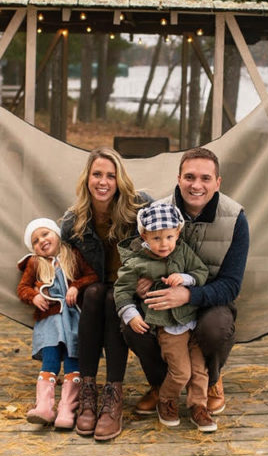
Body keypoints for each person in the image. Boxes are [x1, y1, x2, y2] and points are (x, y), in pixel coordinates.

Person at [123, 147, 249, 418]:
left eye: (205, 178)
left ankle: (211, 381)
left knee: (216, 327)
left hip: (209, 299)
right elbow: (135, 254)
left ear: (218, 182)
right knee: (132, 324)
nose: (196, 185)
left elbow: (231, 285)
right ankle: (161, 385)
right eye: (189, 177)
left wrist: (189, 295)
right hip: (163, 297)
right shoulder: (157, 212)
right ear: (179, 178)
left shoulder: (235, 218)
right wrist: (140, 279)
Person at [60, 147, 149, 441]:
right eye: (97, 174)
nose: (103, 181)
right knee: (98, 292)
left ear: (119, 180)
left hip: (130, 294)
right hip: (93, 293)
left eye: (111, 176)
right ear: (87, 178)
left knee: (114, 297)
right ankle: (88, 391)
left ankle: (113, 394)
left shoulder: (140, 209)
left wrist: (150, 276)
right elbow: (57, 260)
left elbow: (170, 240)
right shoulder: (73, 221)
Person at [114, 202, 217, 432]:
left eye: (169, 237)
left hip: (193, 320)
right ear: (144, 235)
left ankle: (198, 407)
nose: (164, 244)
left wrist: (186, 278)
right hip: (169, 326)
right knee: (181, 371)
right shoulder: (137, 262)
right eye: (157, 238)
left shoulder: (182, 251)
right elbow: (121, 290)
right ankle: (167, 399)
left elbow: (201, 272)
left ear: (178, 233)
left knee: (200, 370)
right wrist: (130, 314)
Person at [16, 217, 97, 429]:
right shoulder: (35, 263)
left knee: (73, 360)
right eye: (35, 240)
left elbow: (92, 276)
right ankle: (44, 407)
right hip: (49, 321)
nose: (41, 241)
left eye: (45, 234)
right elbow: (22, 288)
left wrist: (76, 286)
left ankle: (67, 409)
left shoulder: (73, 256)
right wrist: (33, 296)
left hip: (72, 319)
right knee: (50, 361)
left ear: (57, 235)